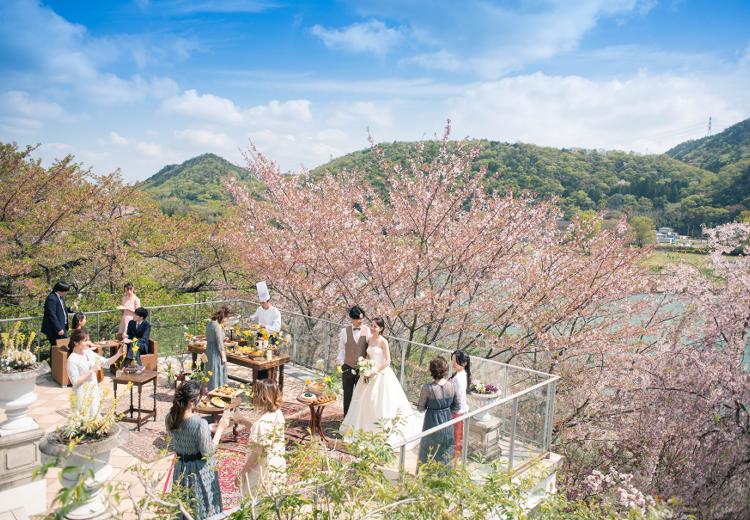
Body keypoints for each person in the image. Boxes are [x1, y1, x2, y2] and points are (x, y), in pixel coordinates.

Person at [340, 317, 422, 447]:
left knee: (378, 402)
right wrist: (364, 367)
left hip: (380, 374)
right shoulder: (369, 339)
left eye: (375, 327)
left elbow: (387, 361)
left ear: (381, 328)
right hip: (367, 373)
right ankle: (360, 430)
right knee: (362, 402)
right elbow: (367, 356)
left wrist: (374, 371)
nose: (372, 328)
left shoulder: (383, 341)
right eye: (371, 326)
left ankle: (380, 432)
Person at [166, 380, 231, 520]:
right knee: (202, 509)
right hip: (199, 472)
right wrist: (221, 427)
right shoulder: (199, 423)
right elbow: (208, 452)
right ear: (193, 401)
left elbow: (175, 442)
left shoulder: (169, 418)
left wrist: (206, 430)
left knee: (183, 507)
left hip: (180, 469)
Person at [232, 379, 287, 497]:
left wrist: (242, 475)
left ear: (262, 397)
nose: (253, 397)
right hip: (277, 466)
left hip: (262, 470)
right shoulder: (278, 414)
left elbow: (256, 455)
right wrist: (244, 421)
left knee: (255, 504)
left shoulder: (261, 424)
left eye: (255, 393)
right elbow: (264, 435)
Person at [66, 328, 124, 419]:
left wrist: (118, 354)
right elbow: (75, 381)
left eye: (88, 340)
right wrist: (92, 370)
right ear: (76, 343)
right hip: (82, 394)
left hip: (94, 390)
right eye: (85, 340)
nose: (88, 342)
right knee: (84, 420)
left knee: (95, 417)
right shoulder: (72, 360)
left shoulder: (88, 352)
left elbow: (106, 362)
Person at [417, 357, 459, 465]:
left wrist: (431, 407)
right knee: (446, 450)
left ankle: (427, 478)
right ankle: (444, 477)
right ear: (445, 370)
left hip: (432, 422)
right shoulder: (452, 386)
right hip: (448, 423)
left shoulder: (427, 388)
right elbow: (456, 407)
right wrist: (445, 409)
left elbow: (420, 408)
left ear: (431, 371)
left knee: (429, 451)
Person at [336, 305, 369, 417]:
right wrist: (342, 364)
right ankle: (346, 420)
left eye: (361, 318)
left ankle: (358, 420)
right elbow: (341, 349)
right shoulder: (344, 331)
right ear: (352, 318)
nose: (360, 321)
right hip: (347, 367)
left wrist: (367, 366)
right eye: (357, 319)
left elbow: (369, 350)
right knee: (348, 395)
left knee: (361, 396)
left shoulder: (368, 331)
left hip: (362, 370)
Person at [250, 281, 281, 380]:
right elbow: (255, 317)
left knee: (268, 362)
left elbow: (277, 327)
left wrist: (265, 327)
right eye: (261, 303)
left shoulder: (275, 312)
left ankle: (269, 382)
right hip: (259, 337)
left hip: (270, 338)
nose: (262, 305)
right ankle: (258, 381)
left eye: (263, 303)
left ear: (268, 301)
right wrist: (250, 319)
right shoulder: (260, 309)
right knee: (259, 361)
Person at [450, 350, 471, 460]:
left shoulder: (458, 377)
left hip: (456, 411)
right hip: (461, 409)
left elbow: (456, 395)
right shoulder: (463, 374)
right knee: (458, 436)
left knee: (455, 436)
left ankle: (455, 459)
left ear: (464, 363)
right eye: (452, 360)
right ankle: (456, 458)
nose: (453, 364)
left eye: (456, 361)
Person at [41, 281, 76, 346]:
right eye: (65, 291)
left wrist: (71, 309)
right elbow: (51, 315)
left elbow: (63, 309)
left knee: (62, 347)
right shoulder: (51, 298)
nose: (66, 293)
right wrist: (59, 329)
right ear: (60, 290)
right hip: (55, 329)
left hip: (62, 326)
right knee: (56, 347)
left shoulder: (60, 297)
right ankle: (54, 356)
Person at [206, 306, 230, 391]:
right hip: (216, 352)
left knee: (210, 371)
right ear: (223, 317)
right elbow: (219, 343)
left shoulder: (210, 323)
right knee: (217, 371)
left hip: (209, 350)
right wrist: (223, 356)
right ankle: (217, 391)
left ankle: (210, 389)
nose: (227, 320)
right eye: (227, 318)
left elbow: (210, 337)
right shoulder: (218, 327)